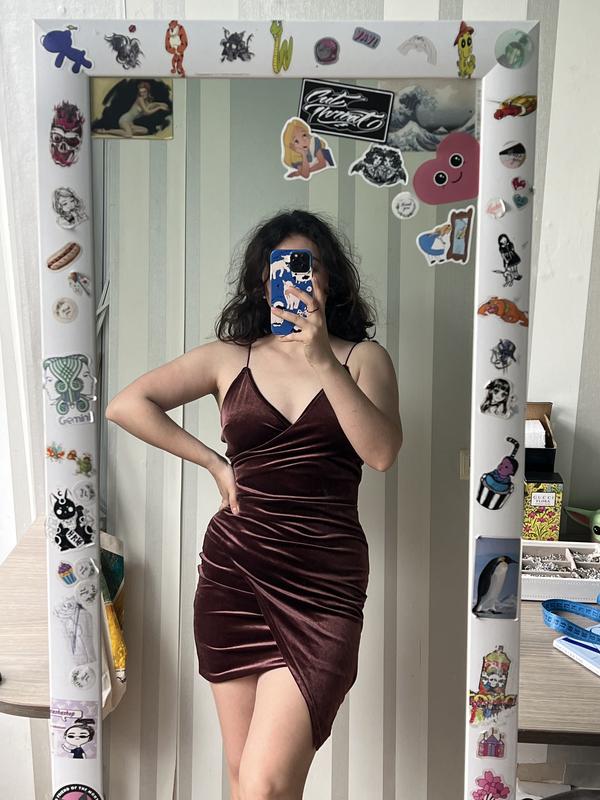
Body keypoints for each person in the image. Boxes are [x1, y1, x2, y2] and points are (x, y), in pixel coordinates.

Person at [105, 209, 403, 799]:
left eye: (306, 265)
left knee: (265, 785)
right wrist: (214, 464)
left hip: (323, 586)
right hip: (234, 576)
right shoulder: (228, 357)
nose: (293, 278)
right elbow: (126, 405)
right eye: (279, 267)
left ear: (329, 278)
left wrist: (321, 357)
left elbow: (382, 453)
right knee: (246, 780)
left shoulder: (362, 359)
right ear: (261, 282)